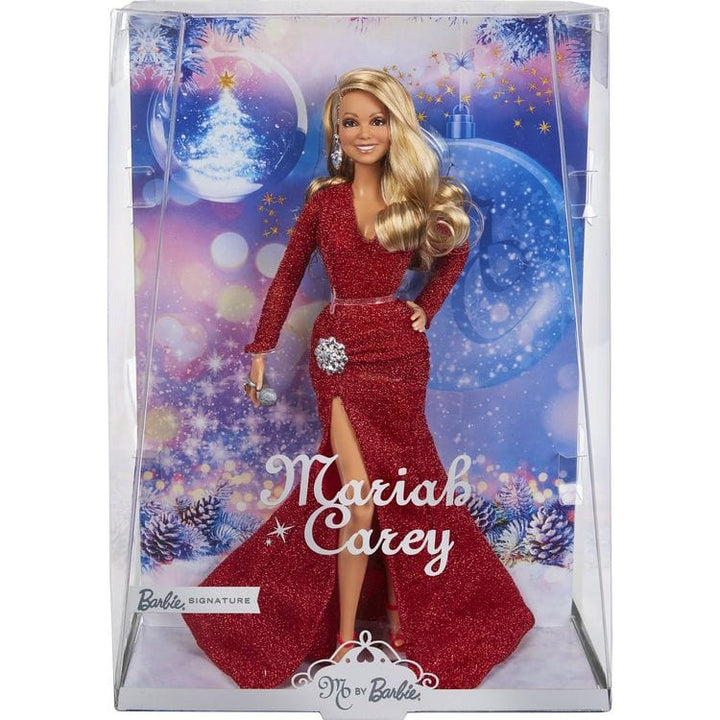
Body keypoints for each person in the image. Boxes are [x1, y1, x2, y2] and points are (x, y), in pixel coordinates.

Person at [183, 67, 535, 689]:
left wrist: (428, 305)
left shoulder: (415, 199)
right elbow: (289, 275)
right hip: (340, 352)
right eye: (351, 122)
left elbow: (456, 249)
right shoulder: (325, 200)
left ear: (396, 127)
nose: (364, 133)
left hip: (399, 353)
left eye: (376, 120)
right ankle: (344, 637)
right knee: (358, 499)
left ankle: (409, 620)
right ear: (336, 132)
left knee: (408, 484)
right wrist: (261, 346)